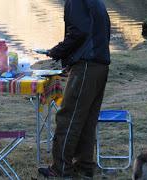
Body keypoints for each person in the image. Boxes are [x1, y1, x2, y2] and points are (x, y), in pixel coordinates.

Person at [38, 0, 111, 178]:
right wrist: (71, 59)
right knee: (86, 119)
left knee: (68, 117)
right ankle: (84, 166)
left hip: (86, 66)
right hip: (99, 64)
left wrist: (57, 51)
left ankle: (60, 168)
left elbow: (78, 32)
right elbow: (97, 31)